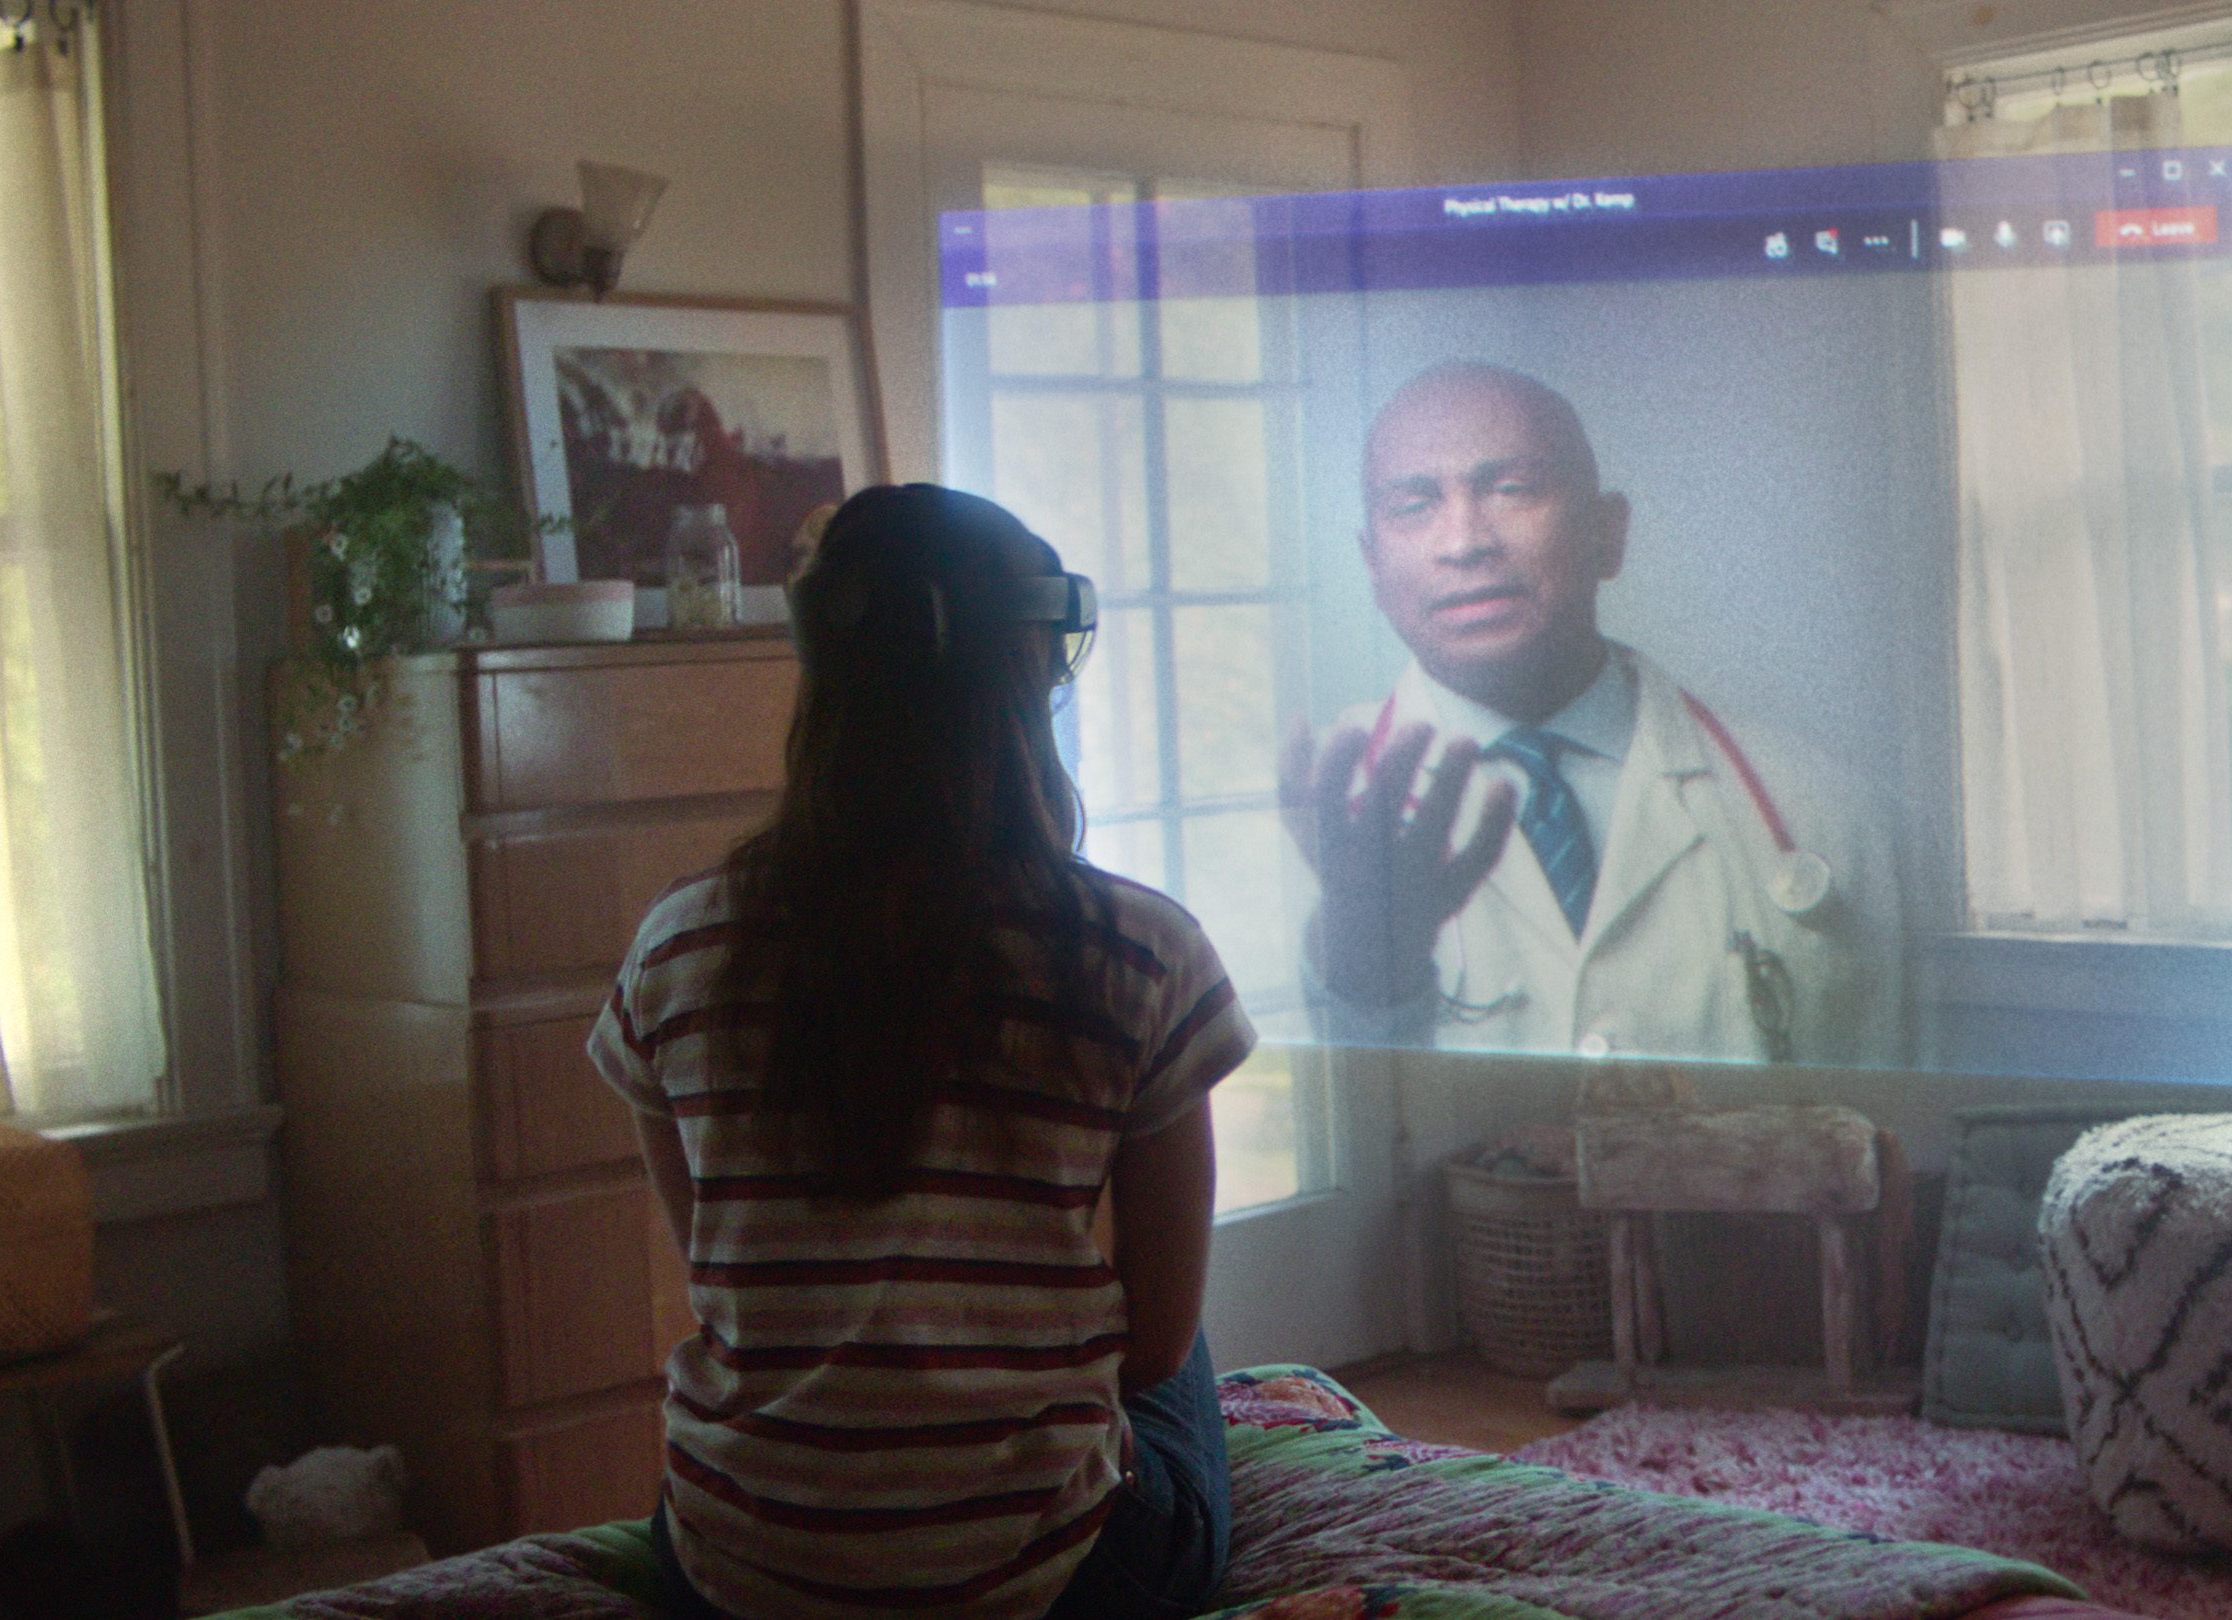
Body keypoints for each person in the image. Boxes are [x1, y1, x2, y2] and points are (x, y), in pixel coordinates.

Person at [591, 485, 1255, 1620]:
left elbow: (724, 1266)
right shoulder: (1138, 956)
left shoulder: (675, 950)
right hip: (1055, 1583)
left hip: (734, 1577)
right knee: (1188, 1358)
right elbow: (1150, 1349)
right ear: (1032, 678)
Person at [1280, 360, 1906, 1067]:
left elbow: (1900, 1143)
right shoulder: (1297, 841)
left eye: (1511, 489)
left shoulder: (1823, 813)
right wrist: (1368, 986)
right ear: (1370, 564)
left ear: (1607, 534)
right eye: (1413, 506)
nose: (1464, 542)